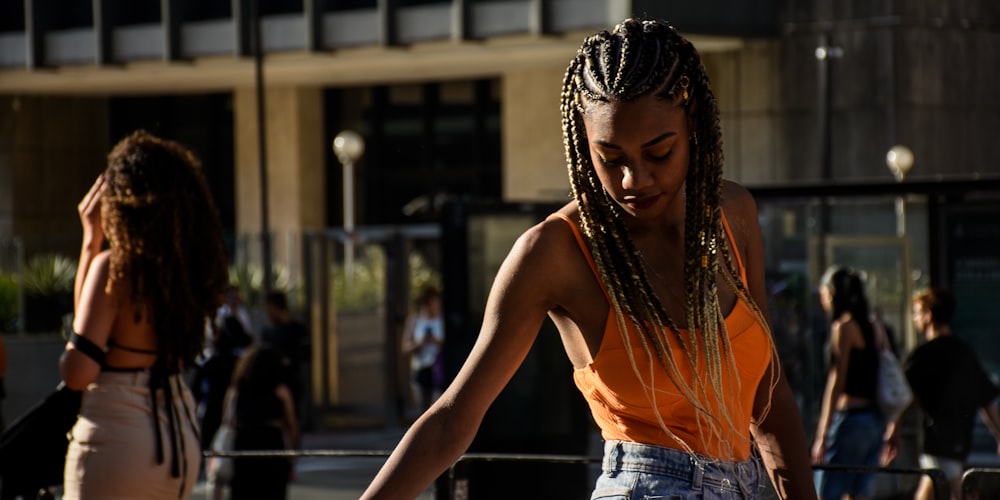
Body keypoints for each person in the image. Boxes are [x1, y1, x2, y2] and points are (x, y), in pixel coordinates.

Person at [362, 18, 815, 499]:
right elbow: (452, 420)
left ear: (695, 125)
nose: (633, 180)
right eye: (611, 157)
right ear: (582, 141)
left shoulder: (731, 215)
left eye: (658, 153)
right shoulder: (554, 252)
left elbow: (769, 400)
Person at [61, 130, 230, 499]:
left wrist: (91, 241)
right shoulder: (186, 273)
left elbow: (78, 371)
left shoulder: (116, 269)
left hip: (118, 438)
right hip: (178, 439)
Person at [883, 287, 1000, 500]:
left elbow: (903, 395)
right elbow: (986, 397)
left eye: (917, 312)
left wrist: (894, 428)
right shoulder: (964, 352)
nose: (915, 318)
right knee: (933, 486)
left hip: (941, 439)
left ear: (929, 315)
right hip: (956, 438)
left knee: (955, 490)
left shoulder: (924, 355)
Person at [812, 266, 888, 500]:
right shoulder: (875, 327)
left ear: (833, 293)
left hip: (850, 419)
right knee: (860, 493)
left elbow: (836, 381)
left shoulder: (843, 328)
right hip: (875, 421)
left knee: (827, 490)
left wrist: (822, 434)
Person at [225, 345, 300, 500]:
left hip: (244, 443)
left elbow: (227, 420)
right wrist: (292, 456)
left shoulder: (238, 388)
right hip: (272, 443)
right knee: (272, 491)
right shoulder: (280, 390)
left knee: (244, 491)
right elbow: (291, 423)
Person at [193, 315, 252, 451]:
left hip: (215, 423)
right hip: (239, 424)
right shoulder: (245, 365)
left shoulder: (211, 365)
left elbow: (195, 396)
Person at [261, 290, 310, 425]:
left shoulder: (297, 330)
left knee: (293, 420)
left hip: (291, 381)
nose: (268, 314)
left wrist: (289, 361)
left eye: (269, 310)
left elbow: (306, 353)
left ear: (277, 308)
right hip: (272, 385)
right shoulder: (268, 333)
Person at [400, 285, 444, 413]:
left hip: (438, 369)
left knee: (438, 407)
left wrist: (436, 341)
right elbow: (405, 348)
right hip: (420, 369)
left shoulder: (442, 320)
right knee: (423, 409)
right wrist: (419, 343)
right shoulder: (414, 320)